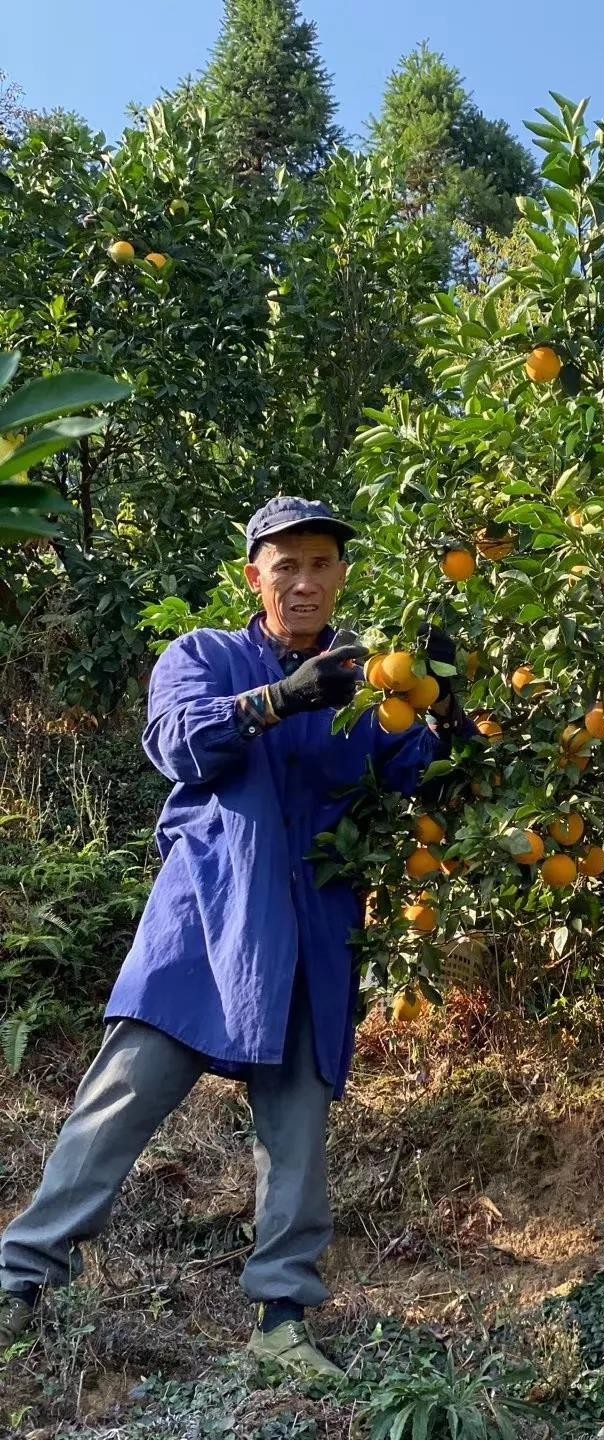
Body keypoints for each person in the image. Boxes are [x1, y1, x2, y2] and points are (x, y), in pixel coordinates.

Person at [0, 496, 474, 1377]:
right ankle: (18, 1280)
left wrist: (450, 705)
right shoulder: (204, 656)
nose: (303, 580)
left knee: (296, 1133)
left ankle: (282, 1321)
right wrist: (276, 700)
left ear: (341, 576)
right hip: (204, 926)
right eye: (284, 564)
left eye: (320, 563)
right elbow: (177, 744)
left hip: (312, 937)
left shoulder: (373, 689)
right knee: (115, 1106)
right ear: (254, 574)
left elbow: (436, 785)